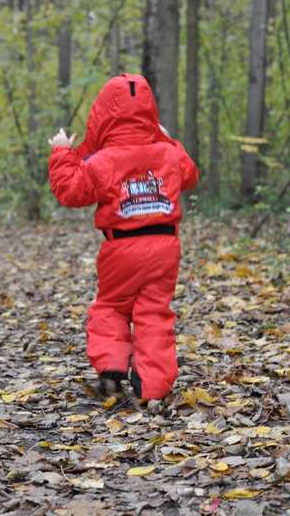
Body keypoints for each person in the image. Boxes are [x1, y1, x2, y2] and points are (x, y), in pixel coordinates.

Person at [48, 73, 198, 402]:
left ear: (102, 117)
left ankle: (112, 370)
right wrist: (168, 141)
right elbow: (189, 173)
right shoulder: (167, 154)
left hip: (121, 247)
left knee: (112, 307)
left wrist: (62, 153)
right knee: (155, 312)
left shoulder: (103, 161)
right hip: (164, 246)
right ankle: (154, 389)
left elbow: (71, 190)